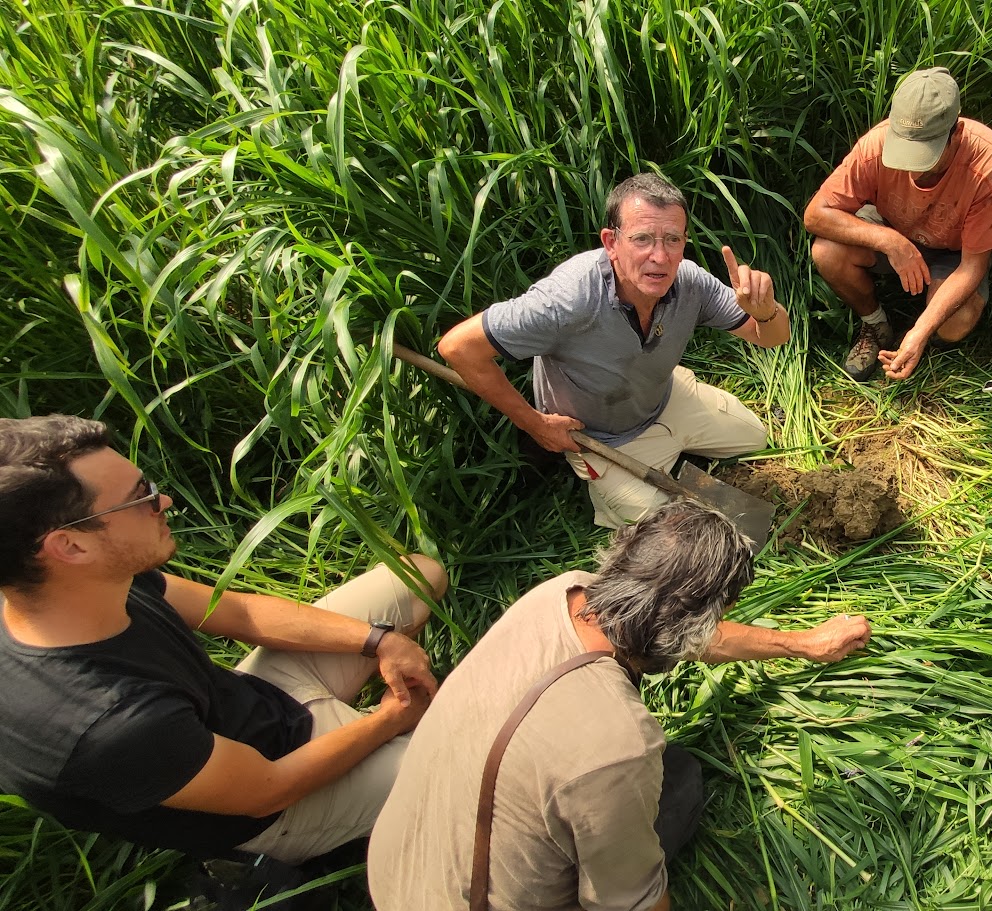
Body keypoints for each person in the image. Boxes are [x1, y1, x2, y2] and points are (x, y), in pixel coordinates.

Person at [368, 500, 871, 911]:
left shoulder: (561, 594)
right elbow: (631, 904)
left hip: (393, 870)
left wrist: (802, 643)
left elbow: (685, 631)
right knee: (679, 786)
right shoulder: (620, 744)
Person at [0, 415, 447, 864]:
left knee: (418, 575)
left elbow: (240, 612)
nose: (165, 501)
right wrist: (391, 717)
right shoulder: (110, 727)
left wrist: (377, 642)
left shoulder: (77, 584)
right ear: (71, 546)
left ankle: (393, 749)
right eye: (140, 499)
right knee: (489, 768)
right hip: (281, 800)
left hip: (259, 704)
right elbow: (268, 791)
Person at [439, 173, 789, 529]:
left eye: (672, 239)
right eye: (642, 239)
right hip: (601, 438)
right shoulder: (568, 299)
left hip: (663, 397)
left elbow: (772, 337)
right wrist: (535, 424)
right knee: (665, 526)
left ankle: (678, 445)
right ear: (611, 242)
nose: (660, 256)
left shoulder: (689, 282)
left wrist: (765, 312)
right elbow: (458, 348)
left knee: (755, 437)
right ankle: (624, 487)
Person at [804, 66, 992, 382]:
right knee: (827, 252)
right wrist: (891, 242)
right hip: (893, 228)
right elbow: (816, 214)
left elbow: (973, 266)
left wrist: (921, 329)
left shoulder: (988, 167)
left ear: (955, 134)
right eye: (904, 152)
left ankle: (915, 331)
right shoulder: (875, 145)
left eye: (925, 156)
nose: (912, 171)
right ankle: (875, 324)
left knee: (954, 325)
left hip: (954, 252)